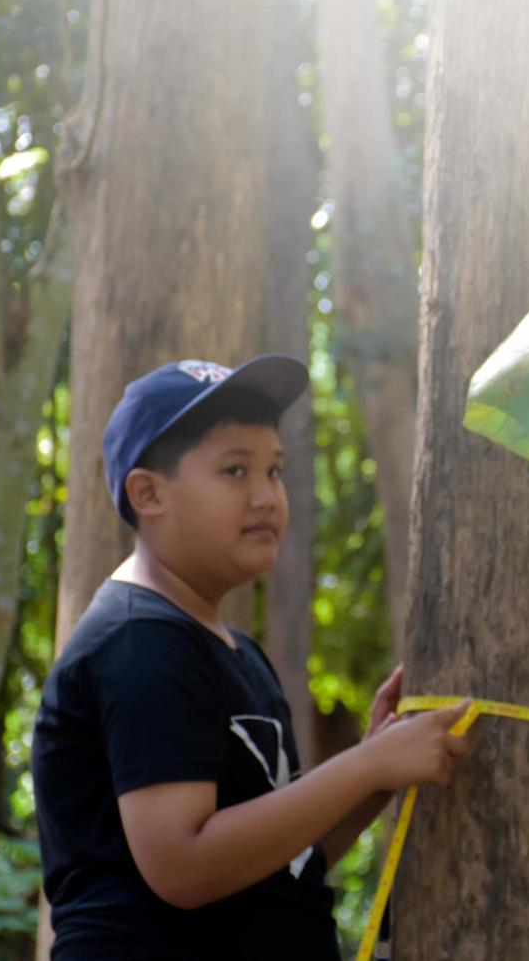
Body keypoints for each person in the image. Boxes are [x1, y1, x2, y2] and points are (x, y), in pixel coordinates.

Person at [32, 355, 470, 959]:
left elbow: (283, 862)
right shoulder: (140, 643)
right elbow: (186, 865)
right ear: (148, 492)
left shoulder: (235, 651)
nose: (266, 496)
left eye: (275, 470)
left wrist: (374, 772)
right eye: (235, 471)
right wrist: (365, 769)